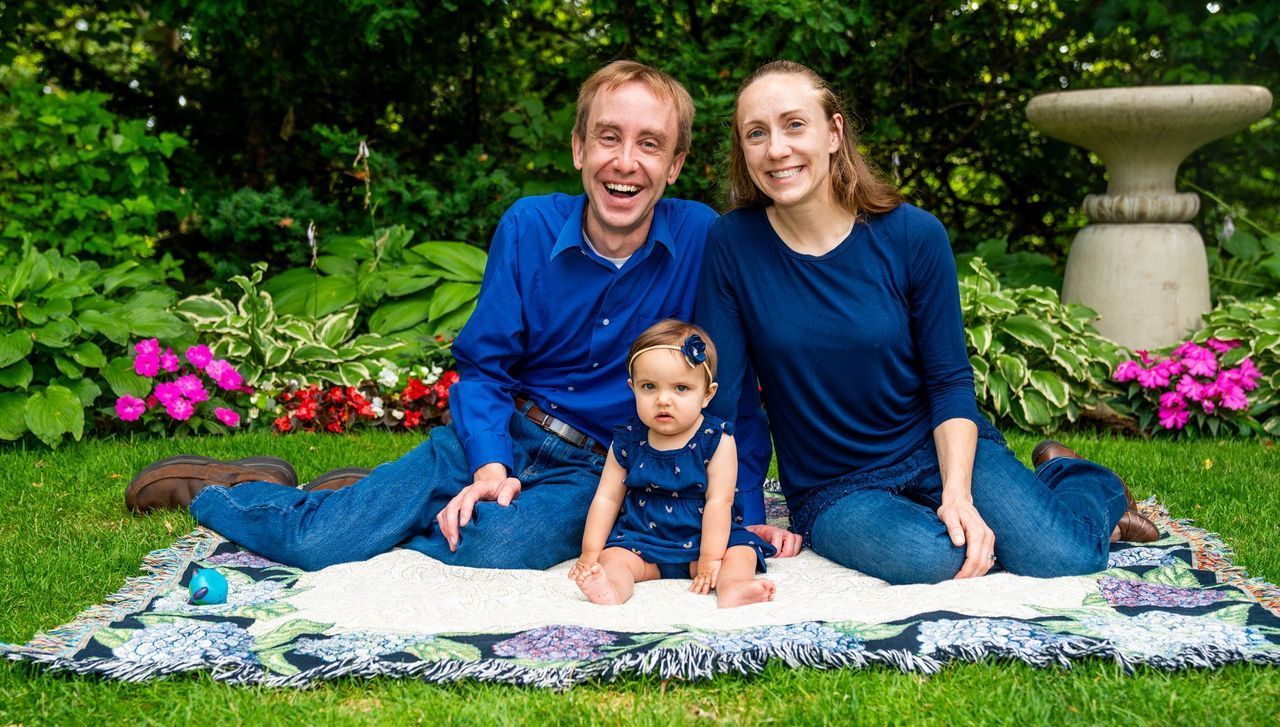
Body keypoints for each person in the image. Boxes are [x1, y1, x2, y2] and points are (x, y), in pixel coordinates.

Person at [124, 60, 800, 572]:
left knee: (493, 547)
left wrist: (744, 520)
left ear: (676, 164)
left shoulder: (701, 239)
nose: (625, 162)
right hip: (502, 429)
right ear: (578, 149)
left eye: (650, 144)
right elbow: (484, 368)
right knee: (317, 544)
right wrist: (489, 466)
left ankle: (370, 505)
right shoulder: (529, 227)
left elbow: (728, 391)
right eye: (608, 138)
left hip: (595, 469)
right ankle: (237, 489)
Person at [695, 60, 1158, 586]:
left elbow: (949, 380)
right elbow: (724, 399)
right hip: (836, 487)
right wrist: (737, 517)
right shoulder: (732, 244)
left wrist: (958, 494)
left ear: (834, 133)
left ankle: (1077, 476)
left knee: (1064, 556)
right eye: (756, 133)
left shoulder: (912, 235)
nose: (776, 148)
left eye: (794, 125)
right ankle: (1021, 507)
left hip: (937, 449)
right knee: (934, 558)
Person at [570, 320, 777, 607]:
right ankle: (612, 589)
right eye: (649, 387)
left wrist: (710, 559)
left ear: (707, 394)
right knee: (613, 558)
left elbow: (720, 501)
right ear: (633, 388)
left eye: (681, 388)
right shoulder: (628, 440)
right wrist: (590, 554)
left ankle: (734, 587)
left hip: (705, 539)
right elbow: (607, 498)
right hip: (643, 539)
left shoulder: (716, 439)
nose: (663, 400)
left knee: (742, 553)